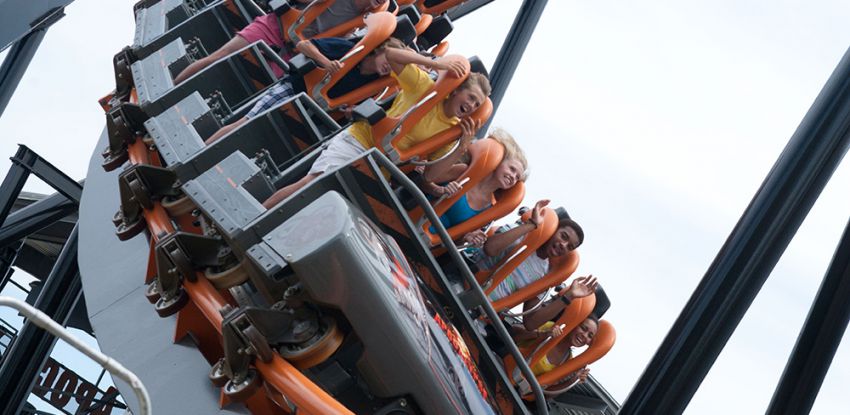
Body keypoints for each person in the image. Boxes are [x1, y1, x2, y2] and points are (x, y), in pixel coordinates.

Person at [261, 48, 491, 209]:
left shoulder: (452, 131)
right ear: (456, 91)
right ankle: (257, 216)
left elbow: (431, 175)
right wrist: (438, 65)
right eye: (470, 97)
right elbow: (391, 55)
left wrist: (461, 145)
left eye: (476, 104)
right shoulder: (424, 86)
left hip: (381, 166)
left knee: (331, 204)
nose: (471, 105)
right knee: (312, 183)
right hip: (359, 142)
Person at [205, 36, 406, 144]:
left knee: (263, 141)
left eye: (394, 65)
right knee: (246, 122)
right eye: (389, 59)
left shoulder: (374, 85)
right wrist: (326, 62)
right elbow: (303, 45)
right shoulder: (348, 49)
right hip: (294, 89)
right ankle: (203, 150)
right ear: (379, 51)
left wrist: (351, 111)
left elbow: (351, 108)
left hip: (311, 114)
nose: (389, 66)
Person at [173, 0, 387, 84]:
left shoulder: (360, 24)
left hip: (296, 51)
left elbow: (335, 42)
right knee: (218, 58)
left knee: (252, 83)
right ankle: (172, 89)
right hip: (276, 28)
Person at [467, 199, 585, 329]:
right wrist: (532, 225)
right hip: (463, 282)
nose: (564, 245)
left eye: (570, 246)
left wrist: (568, 297)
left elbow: (530, 323)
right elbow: (490, 248)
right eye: (563, 236)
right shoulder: (521, 233)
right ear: (553, 230)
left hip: (480, 312)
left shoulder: (543, 275)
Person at [424, 128, 528, 245]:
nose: (513, 177)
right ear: (498, 162)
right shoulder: (464, 171)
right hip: (411, 221)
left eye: (517, 177)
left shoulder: (489, 209)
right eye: (512, 169)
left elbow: (456, 239)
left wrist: (468, 238)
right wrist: (440, 191)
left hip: (429, 245)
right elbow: (424, 181)